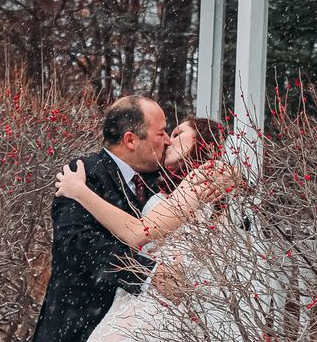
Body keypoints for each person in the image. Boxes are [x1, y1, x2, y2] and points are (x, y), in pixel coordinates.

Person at [53, 117, 238, 342]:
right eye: (166, 133)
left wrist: (79, 190)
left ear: (204, 141)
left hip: (164, 299)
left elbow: (138, 232)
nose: (169, 141)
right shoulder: (163, 183)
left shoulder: (206, 177)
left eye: (178, 134)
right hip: (141, 297)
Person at [33, 95, 178, 342]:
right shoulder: (82, 176)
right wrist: (146, 273)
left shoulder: (162, 182)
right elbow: (78, 244)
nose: (167, 141)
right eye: (161, 133)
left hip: (143, 327)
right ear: (130, 139)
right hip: (79, 325)